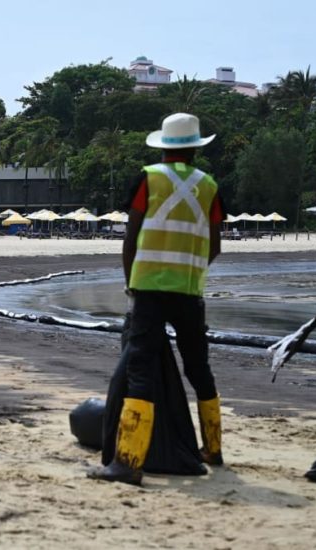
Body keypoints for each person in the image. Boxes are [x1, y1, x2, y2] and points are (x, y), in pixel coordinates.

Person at [89, 113, 224, 485]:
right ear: (196, 147)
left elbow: (130, 238)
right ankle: (213, 448)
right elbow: (215, 245)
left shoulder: (149, 179)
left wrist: (131, 283)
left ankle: (127, 462)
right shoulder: (210, 186)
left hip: (149, 289)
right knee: (199, 369)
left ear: (164, 147)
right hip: (189, 291)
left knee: (140, 371)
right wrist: (192, 272)